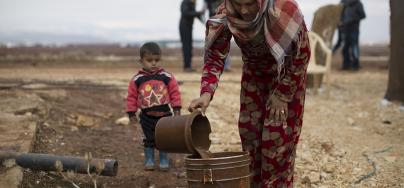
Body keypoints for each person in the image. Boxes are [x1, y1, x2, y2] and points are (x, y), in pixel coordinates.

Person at [188, 0, 310, 187]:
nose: (244, 11)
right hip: (254, 79)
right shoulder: (225, 14)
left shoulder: (283, 9)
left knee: (277, 144)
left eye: (250, 4)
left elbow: (302, 54)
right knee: (250, 139)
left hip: (286, 79)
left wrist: (283, 95)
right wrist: (206, 93)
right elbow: (215, 56)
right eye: (238, 4)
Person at [126, 42, 182, 171]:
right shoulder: (137, 79)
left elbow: (175, 92)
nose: (153, 63)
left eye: (156, 60)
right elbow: (131, 97)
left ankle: (163, 160)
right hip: (146, 116)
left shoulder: (166, 77)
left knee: (163, 138)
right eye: (149, 60)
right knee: (148, 139)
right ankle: (149, 159)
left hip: (165, 116)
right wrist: (131, 113)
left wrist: (177, 108)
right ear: (141, 61)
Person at [339, 0, 366, 70]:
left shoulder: (358, 3)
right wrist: (341, 23)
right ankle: (346, 65)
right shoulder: (343, 3)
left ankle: (355, 65)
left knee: (354, 47)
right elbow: (340, 15)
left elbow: (363, 15)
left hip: (354, 29)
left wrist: (352, 19)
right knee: (345, 48)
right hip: (345, 29)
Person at [180, 0, 204, 72]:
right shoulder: (185, 2)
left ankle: (188, 65)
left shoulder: (192, 4)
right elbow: (185, 13)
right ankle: (187, 66)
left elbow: (196, 15)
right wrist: (198, 13)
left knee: (189, 46)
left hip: (189, 27)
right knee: (186, 46)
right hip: (184, 27)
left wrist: (205, 21)